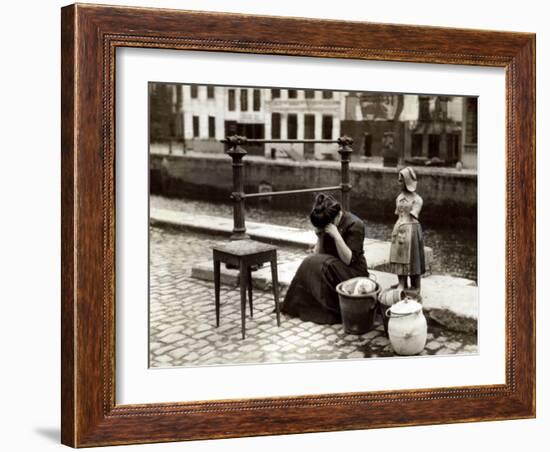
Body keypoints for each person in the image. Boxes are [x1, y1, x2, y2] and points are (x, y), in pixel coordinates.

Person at [280, 193, 369, 324]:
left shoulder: (356, 224)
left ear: (337, 216)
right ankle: (294, 305)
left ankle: (329, 310)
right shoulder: (326, 222)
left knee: (322, 264)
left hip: (353, 272)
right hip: (332, 268)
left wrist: (336, 235)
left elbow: (348, 260)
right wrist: (320, 237)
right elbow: (318, 255)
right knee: (309, 261)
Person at [389, 167, 426, 295]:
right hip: (399, 227)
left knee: (413, 257)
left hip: (411, 229)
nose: (399, 183)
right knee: (398, 256)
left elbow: (414, 214)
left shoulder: (417, 199)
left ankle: (415, 285)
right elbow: (398, 213)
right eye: (399, 181)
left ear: (407, 181)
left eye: (401, 181)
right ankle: (402, 282)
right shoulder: (399, 198)